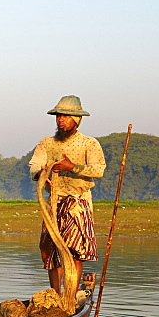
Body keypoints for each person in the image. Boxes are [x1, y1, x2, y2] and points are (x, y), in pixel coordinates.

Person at [27, 95, 106, 292]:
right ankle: (55, 293)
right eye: (58, 116)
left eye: (66, 116)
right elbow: (34, 165)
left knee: (75, 251)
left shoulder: (89, 143)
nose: (61, 119)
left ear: (76, 119)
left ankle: (70, 294)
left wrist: (73, 167)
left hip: (78, 203)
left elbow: (99, 170)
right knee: (51, 250)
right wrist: (41, 174)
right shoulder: (47, 143)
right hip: (54, 201)